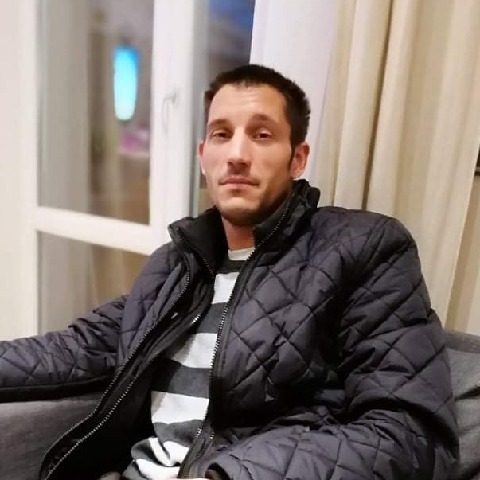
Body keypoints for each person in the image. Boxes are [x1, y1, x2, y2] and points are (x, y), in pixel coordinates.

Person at [0, 64, 457, 480]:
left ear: (298, 158)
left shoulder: (363, 249)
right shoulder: (176, 266)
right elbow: (78, 347)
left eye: (262, 135)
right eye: (221, 134)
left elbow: (409, 433)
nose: (237, 154)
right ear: (204, 156)